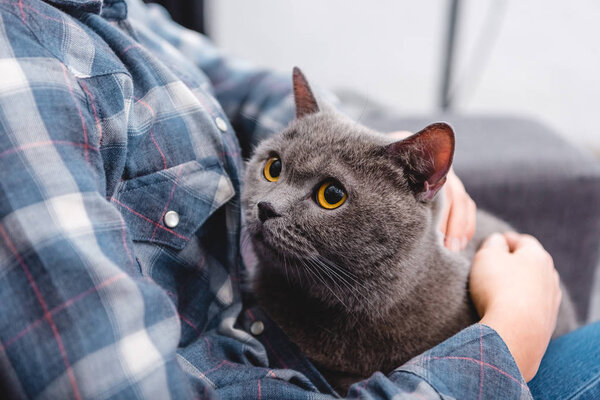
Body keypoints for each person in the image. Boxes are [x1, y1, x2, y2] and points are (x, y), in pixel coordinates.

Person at [0, 0, 598, 398]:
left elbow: (232, 81)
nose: (270, 205)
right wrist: (507, 341)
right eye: (275, 169)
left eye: (327, 195)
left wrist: (372, 146)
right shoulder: (21, 69)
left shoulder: (115, 13)